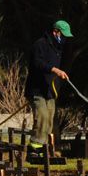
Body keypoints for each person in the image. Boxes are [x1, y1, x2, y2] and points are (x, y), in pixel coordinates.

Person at [26, 19, 72, 149]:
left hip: (49, 90)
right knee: (42, 117)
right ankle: (35, 148)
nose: (64, 39)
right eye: (63, 35)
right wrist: (55, 70)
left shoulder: (58, 48)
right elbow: (37, 63)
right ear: (55, 32)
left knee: (50, 119)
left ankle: (45, 148)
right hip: (37, 89)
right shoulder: (40, 44)